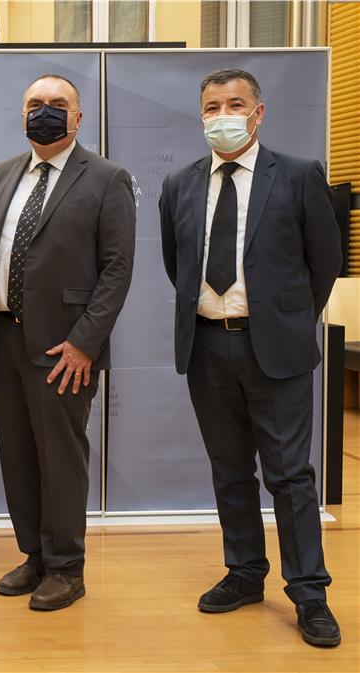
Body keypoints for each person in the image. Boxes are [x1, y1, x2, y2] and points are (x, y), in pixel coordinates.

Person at [159, 68, 342, 647]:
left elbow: (325, 261)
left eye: (235, 105)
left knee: (290, 475)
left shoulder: (299, 174)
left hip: (276, 348)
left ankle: (309, 592)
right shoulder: (179, 184)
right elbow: (176, 264)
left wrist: (288, 320)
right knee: (230, 469)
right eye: (212, 107)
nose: (223, 116)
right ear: (202, 115)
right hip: (207, 345)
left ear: (258, 113)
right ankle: (244, 573)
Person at [0, 74, 135, 611]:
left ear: (78, 117)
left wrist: (85, 342)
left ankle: (66, 567)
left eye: (58, 104)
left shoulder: (107, 178)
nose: (45, 111)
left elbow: (117, 270)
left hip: (64, 348)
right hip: (2, 337)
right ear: (22, 114)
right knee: (17, 455)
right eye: (35, 103)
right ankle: (34, 555)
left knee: (60, 458)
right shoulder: (2, 172)